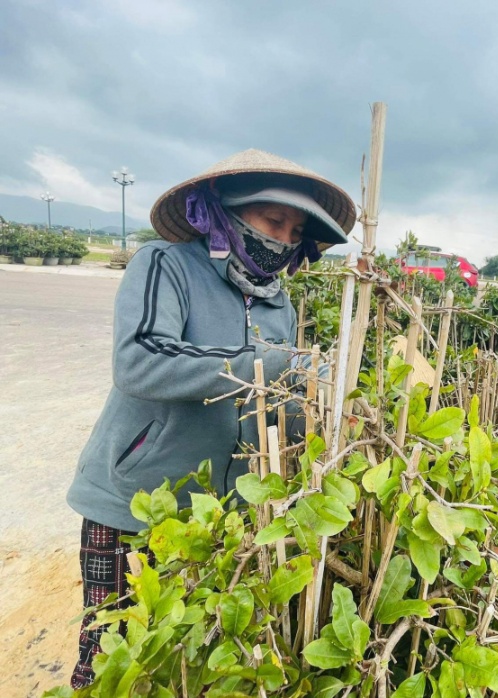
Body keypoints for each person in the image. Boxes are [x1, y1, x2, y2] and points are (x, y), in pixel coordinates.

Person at [66, 149, 355, 688]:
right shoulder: (164, 265)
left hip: (216, 520)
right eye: (274, 221)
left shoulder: (279, 305)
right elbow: (141, 359)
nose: (284, 239)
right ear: (228, 212)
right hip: (130, 503)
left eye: (295, 232)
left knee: (184, 661)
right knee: (109, 660)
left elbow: (274, 402)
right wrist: (270, 364)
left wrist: (329, 415)